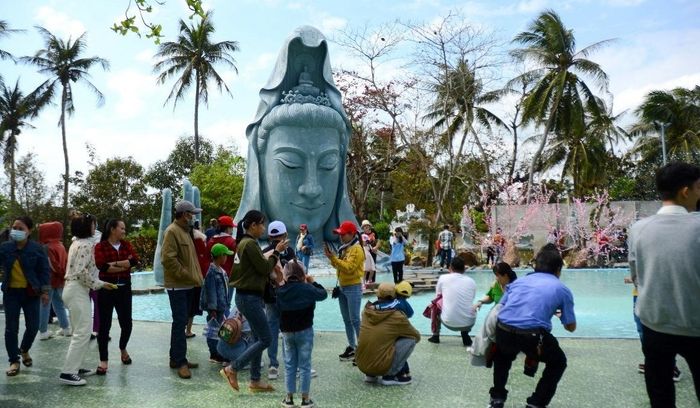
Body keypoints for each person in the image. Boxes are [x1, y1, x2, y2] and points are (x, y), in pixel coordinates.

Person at [234, 26, 356, 247]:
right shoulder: (242, 257)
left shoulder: (358, 254)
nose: (311, 189)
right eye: (291, 164)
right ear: (260, 166)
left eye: (328, 165)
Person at [629, 162, 700, 407]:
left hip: (654, 326)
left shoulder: (638, 229)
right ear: (685, 191)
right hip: (695, 325)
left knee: (660, 397)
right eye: (698, 187)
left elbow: (637, 276)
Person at [487, 243, 576, 408]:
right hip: (532, 337)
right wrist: (559, 314)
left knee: (502, 356)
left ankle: (497, 399)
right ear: (558, 270)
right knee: (558, 362)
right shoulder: (562, 289)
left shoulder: (517, 283)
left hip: (503, 330)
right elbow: (570, 327)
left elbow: (502, 308)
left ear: (536, 266)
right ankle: (536, 403)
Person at [223, 210, 287, 393]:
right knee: (266, 338)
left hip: (246, 296)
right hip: (249, 297)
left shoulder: (244, 243)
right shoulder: (249, 244)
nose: (263, 228)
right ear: (253, 225)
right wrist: (276, 252)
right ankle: (232, 368)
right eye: (261, 224)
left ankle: (255, 380)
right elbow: (264, 267)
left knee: (258, 337)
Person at [59, 214, 118, 385]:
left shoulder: (76, 242)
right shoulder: (85, 245)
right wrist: (100, 284)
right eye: (93, 224)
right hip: (77, 289)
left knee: (80, 331)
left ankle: (76, 367)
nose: (95, 227)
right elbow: (81, 272)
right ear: (87, 227)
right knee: (83, 332)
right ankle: (68, 372)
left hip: (73, 289)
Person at [1, 216, 50, 377]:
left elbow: (44, 271)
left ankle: (24, 350)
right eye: (14, 227)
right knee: (11, 328)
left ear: (30, 231)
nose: (16, 231)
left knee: (33, 326)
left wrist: (44, 291)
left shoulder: (37, 249)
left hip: (31, 293)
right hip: (11, 294)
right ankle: (14, 361)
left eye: (21, 228)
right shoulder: (5, 248)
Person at [161, 200, 204, 379]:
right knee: (180, 323)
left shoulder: (185, 232)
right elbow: (168, 259)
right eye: (191, 213)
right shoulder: (172, 231)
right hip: (178, 286)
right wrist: (186, 274)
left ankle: (177, 358)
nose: (193, 216)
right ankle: (180, 362)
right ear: (185, 214)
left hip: (187, 285)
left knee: (181, 322)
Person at [277, 261, 328, 408]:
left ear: (286, 275)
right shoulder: (308, 289)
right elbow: (323, 294)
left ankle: (289, 399)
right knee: (305, 365)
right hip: (304, 330)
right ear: (302, 274)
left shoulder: (281, 291)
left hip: (287, 332)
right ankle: (305, 399)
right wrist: (314, 282)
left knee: (289, 364)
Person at [93, 219, 140, 375]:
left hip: (124, 289)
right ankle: (103, 360)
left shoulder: (126, 245)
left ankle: (122, 348)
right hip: (106, 289)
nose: (124, 231)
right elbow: (102, 266)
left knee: (127, 323)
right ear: (113, 229)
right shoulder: (100, 246)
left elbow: (134, 260)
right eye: (122, 228)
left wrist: (115, 264)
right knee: (104, 326)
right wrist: (124, 264)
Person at [356, 282, 421, 386]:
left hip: (362, 364)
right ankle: (390, 376)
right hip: (380, 367)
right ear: (394, 295)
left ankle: (370, 375)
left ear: (377, 295)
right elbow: (416, 336)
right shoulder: (397, 316)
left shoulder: (366, 312)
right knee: (410, 339)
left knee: (376, 337)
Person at [324, 220, 364, 362]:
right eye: (339, 234)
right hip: (343, 287)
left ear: (352, 234)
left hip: (353, 287)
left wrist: (333, 258)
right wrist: (332, 258)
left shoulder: (357, 249)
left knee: (355, 319)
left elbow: (349, 268)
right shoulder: (345, 248)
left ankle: (362, 349)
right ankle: (352, 346)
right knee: (347, 320)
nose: (340, 237)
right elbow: (341, 267)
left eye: (343, 234)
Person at [261, 220, 296, 380]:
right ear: (285, 235)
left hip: (269, 296)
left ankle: (273, 366)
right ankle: (292, 366)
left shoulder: (265, 251)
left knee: (272, 330)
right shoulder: (289, 252)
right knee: (288, 330)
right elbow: (296, 274)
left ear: (269, 236)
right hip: (287, 296)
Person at [428, 257, 476, 346]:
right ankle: (465, 335)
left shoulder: (443, 278)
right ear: (464, 269)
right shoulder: (471, 281)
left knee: (435, 304)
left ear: (451, 267)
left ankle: (435, 336)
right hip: (469, 323)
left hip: (448, 322)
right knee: (466, 303)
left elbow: (438, 295)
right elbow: (472, 298)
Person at [37, 221, 70, 340]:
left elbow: (51, 264)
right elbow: (66, 263)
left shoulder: (46, 247)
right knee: (59, 304)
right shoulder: (60, 245)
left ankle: (43, 331)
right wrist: (64, 276)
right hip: (60, 281)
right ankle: (66, 328)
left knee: (44, 305)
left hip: (48, 281)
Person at [201, 243, 232, 364]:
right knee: (213, 331)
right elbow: (211, 291)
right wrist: (212, 309)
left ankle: (221, 351)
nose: (227, 258)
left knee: (221, 330)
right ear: (220, 256)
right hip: (215, 308)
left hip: (221, 306)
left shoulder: (221, 270)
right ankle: (214, 353)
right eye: (225, 255)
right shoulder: (212, 272)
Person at [207, 215, 237, 306]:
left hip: (212, 275)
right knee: (226, 304)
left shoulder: (211, 241)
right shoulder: (231, 241)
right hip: (228, 276)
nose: (232, 230)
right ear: (228, 228)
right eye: (231, 228)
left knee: (214, 303)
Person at [186, 220, 208, 339]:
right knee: (193, 305)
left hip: (184, 278)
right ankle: (188, 330)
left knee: (186, 305)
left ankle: (185, 329)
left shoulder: (182, 239)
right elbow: (203, 259)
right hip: (196, 277)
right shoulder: (200, 240)